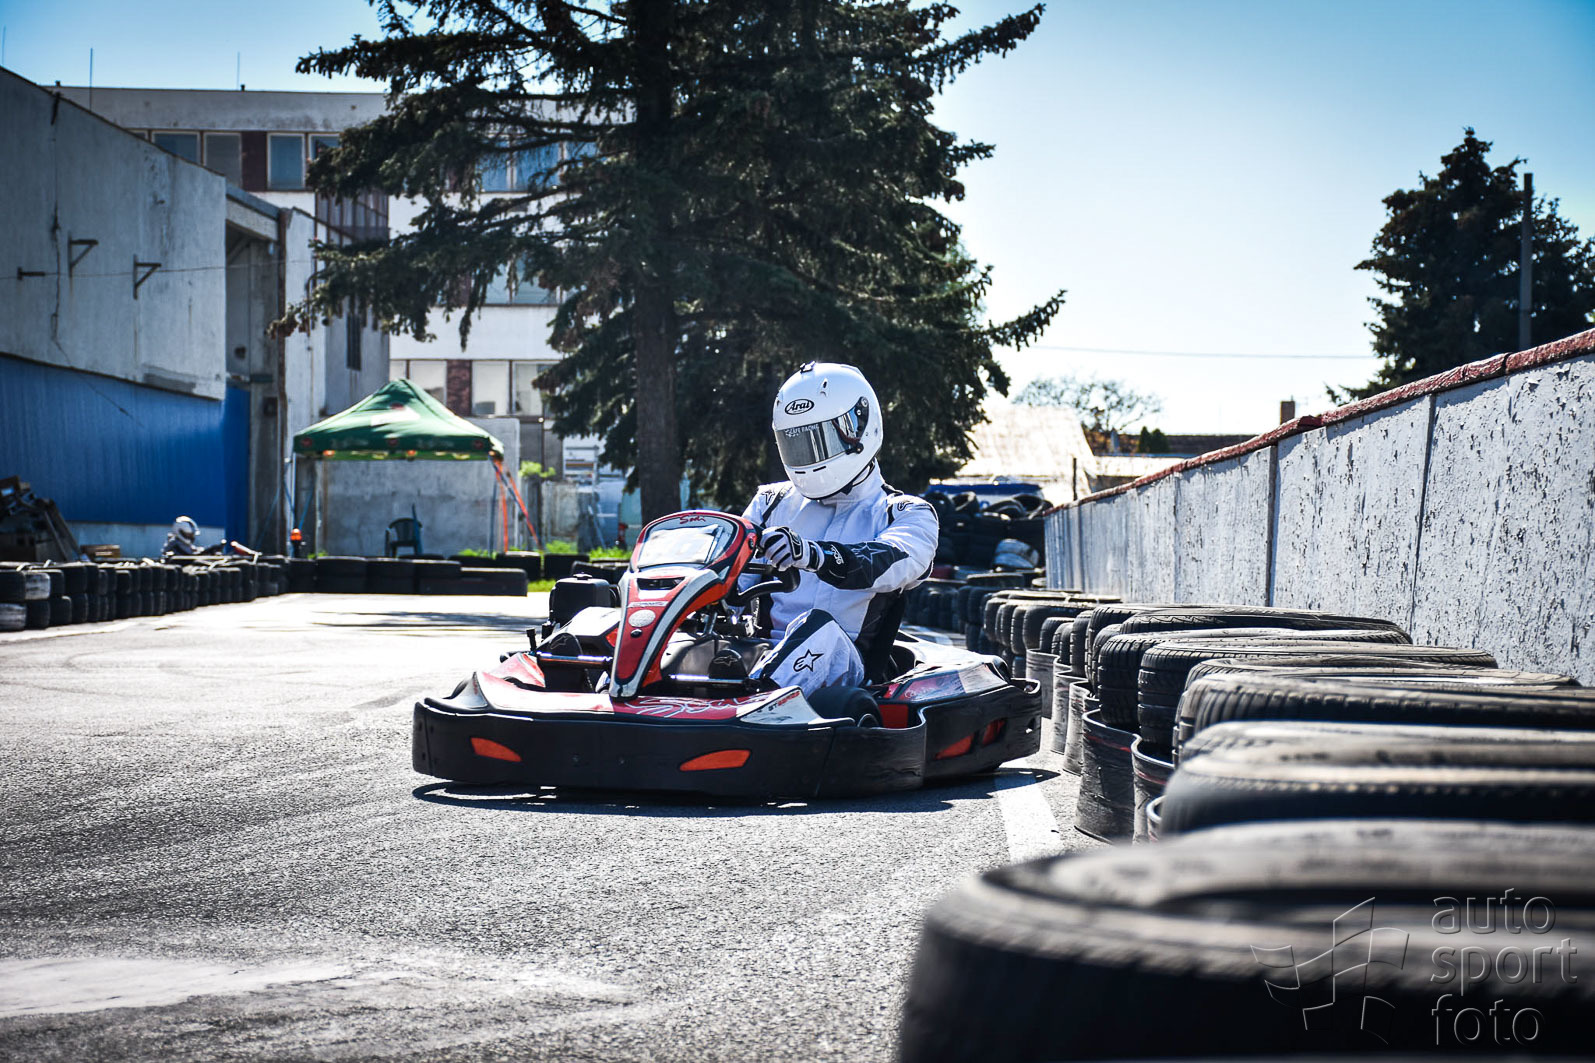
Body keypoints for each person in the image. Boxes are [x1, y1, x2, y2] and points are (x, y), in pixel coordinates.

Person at [741, 362, 939, 706]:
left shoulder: (905, 512)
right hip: (758, 651)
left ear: (860, 427)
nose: (809, 456)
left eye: (821, 439)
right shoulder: (770, 503)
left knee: (818, 628)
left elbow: (888, 562)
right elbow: (735, 579)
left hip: (846, 665)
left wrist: (815, 555)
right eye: (798, 443)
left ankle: (750, 705)